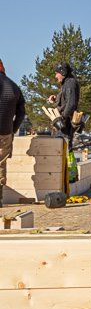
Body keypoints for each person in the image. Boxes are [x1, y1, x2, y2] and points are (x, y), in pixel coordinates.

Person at [0, 60, 26, 207]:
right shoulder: (14, 86)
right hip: (5, 131)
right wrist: (13, 129)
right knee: (1, 164)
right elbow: (21, 112)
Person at [50, 62, 81, 149]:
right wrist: (56, 99)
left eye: (57, 73)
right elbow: (66, 100)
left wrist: (62, 118)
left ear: (63, 72)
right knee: (61, 151)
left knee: (62, 149)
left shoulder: (70, 83)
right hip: (64, 124)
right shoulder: (66, 84)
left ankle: (68, 163)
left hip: (65, 125)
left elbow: (71, 104)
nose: (56, 76)